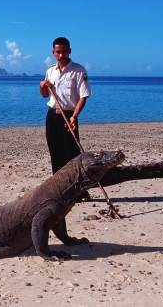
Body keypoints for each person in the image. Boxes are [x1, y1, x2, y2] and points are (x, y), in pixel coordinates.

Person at [39, 37, 92, 201]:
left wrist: (75, 116)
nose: (61, 55)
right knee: (55, 153)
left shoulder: (79, 71)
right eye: (58, 52)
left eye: (64, 51)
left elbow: (83, 96)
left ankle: (80, 191)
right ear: (53, 53)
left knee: (72, 154)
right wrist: (42, 86)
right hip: (52, 115)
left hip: (68, 115)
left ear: (70, 51)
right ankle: (59, 190)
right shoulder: (50, 70)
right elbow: (45, 95)